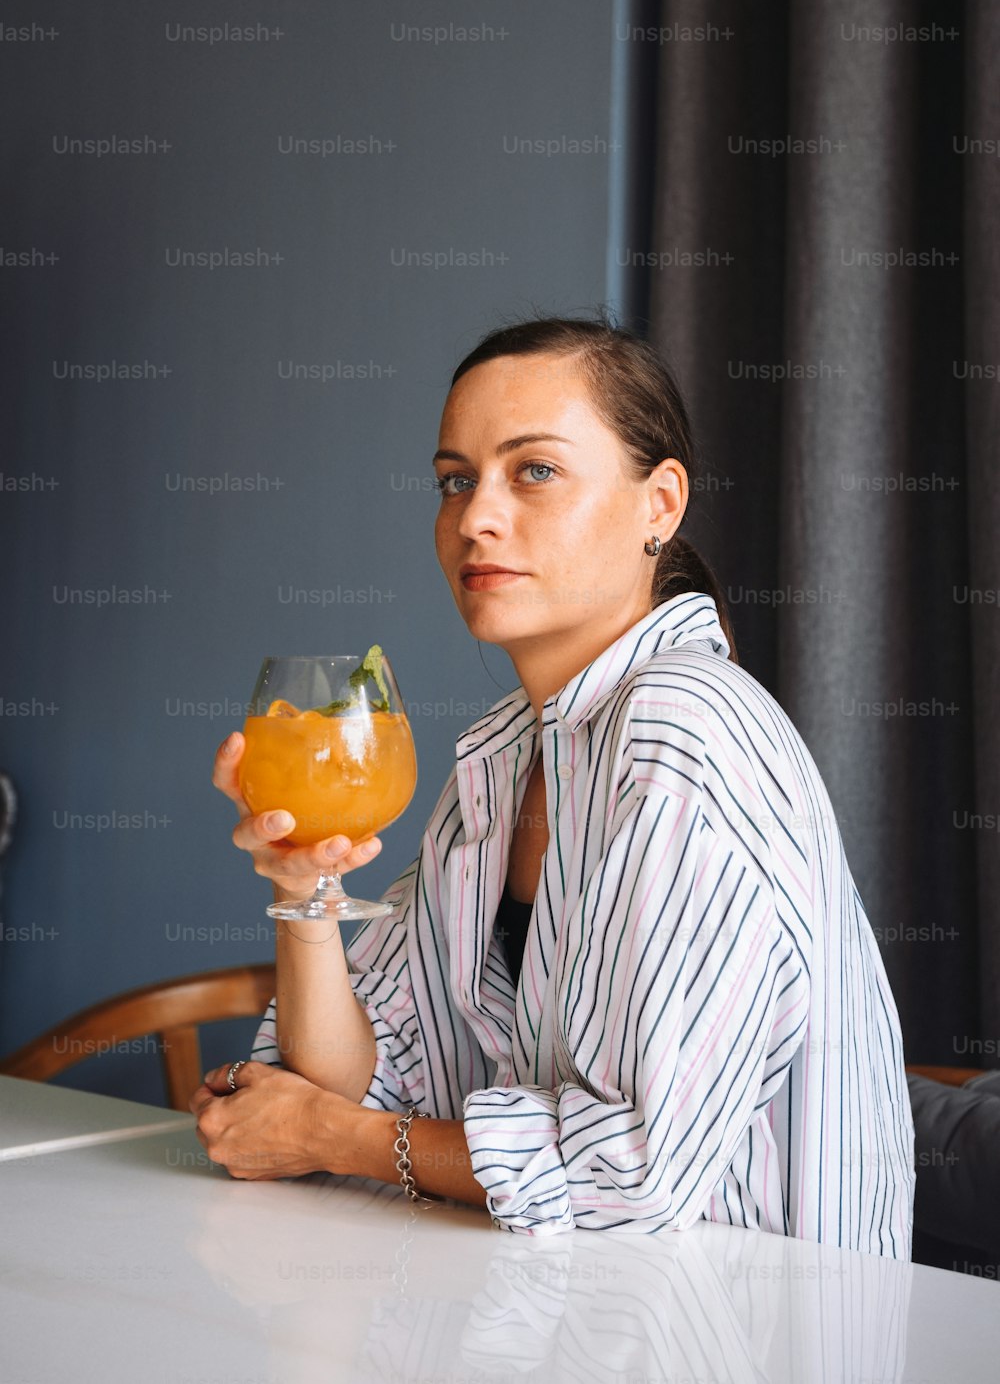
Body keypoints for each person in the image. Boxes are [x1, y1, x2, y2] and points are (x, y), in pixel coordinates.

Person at [191, 315, 915, 1255]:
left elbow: (635, 1168)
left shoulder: (686, 729)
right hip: (556, 1310)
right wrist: (304, 893)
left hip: (747, 1325)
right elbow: (375, 1077)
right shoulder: (500, 761)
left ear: (660, 503)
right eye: (457, 480)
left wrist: (338, 1139)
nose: (475, 518)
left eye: (534, 470)